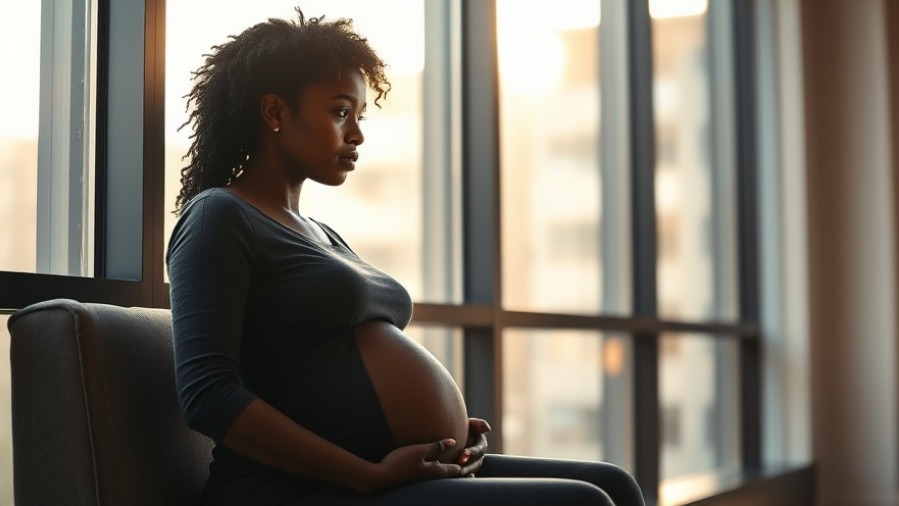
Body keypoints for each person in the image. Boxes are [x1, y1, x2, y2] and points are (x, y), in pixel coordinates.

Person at [166, 8, 645, 506]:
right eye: (339, 111)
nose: (356, 134)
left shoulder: (321, 233)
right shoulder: (219, 216)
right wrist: (366, 474)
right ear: (275, 113)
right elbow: (208, 395)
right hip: (298, 488)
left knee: (613, 482)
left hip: (379, 468)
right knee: (584, 502)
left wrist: (453, 432)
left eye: (359, 115)